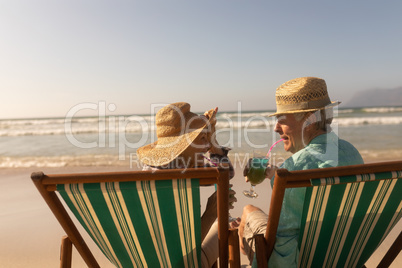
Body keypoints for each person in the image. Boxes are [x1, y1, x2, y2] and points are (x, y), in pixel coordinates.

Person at [238, 77, 364, 267]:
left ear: (310, 120)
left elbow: (280, 236)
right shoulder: (351, 153)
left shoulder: (295, 167)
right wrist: (275, 174)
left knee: (248, 212)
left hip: (298, 261)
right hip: (344, 256)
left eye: (281, 120)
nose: (275, 128)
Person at [136, 102, 236, 268]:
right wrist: (212, 212)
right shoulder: (172, 183)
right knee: (226, 224)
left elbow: (226, 174)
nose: (207, 147)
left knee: (225, 223)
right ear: (180, 147)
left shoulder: (167, 169)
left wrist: (212, 138)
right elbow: (181, 253)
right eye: (202, 139)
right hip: (180, 263)